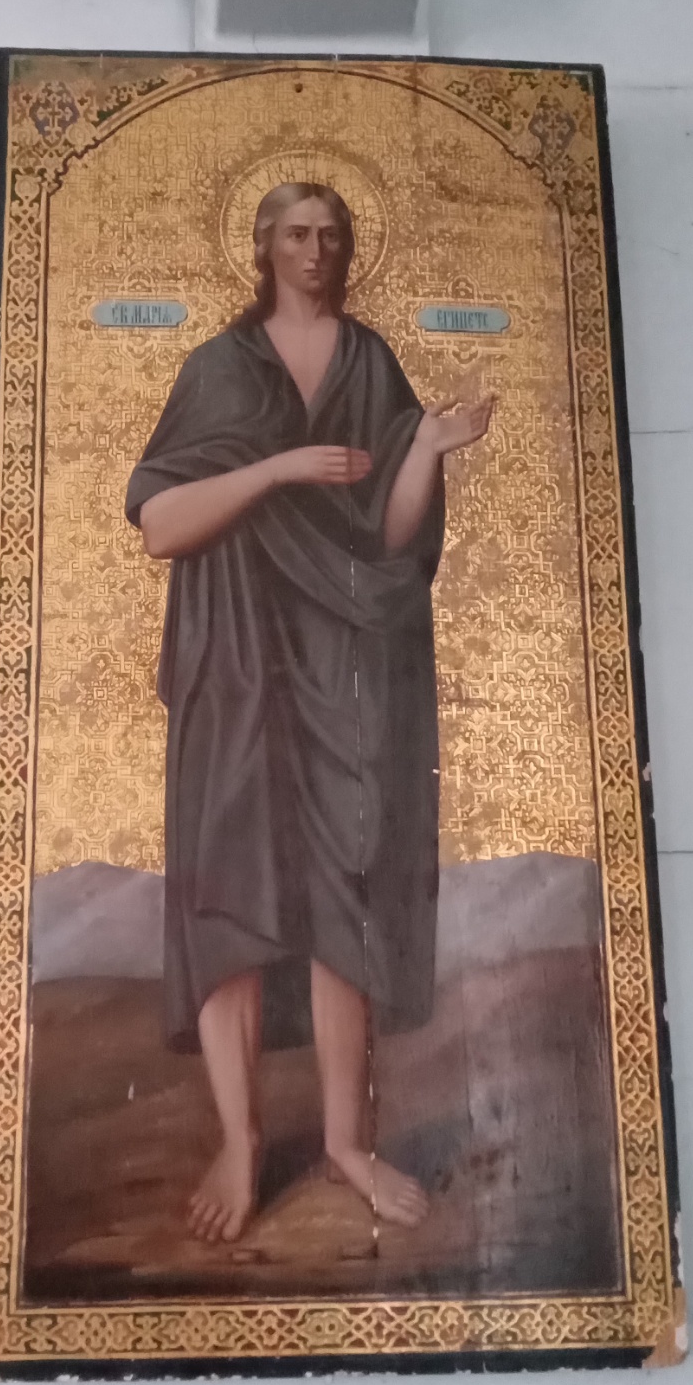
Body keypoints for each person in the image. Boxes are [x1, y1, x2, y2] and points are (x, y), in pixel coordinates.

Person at [125, 182, 491, 1243]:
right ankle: (241, 1142)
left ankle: (344, 1142)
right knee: (230, 889)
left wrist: (425, 450)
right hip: (235, 658)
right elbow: (162, 524)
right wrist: (280, 467)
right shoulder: (218, 370)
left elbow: (390, 542)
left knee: (347, 887)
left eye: (333, 234)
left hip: (342, 661)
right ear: (264, 246)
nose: (318, 249)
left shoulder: (370, 363)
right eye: (298, 233)